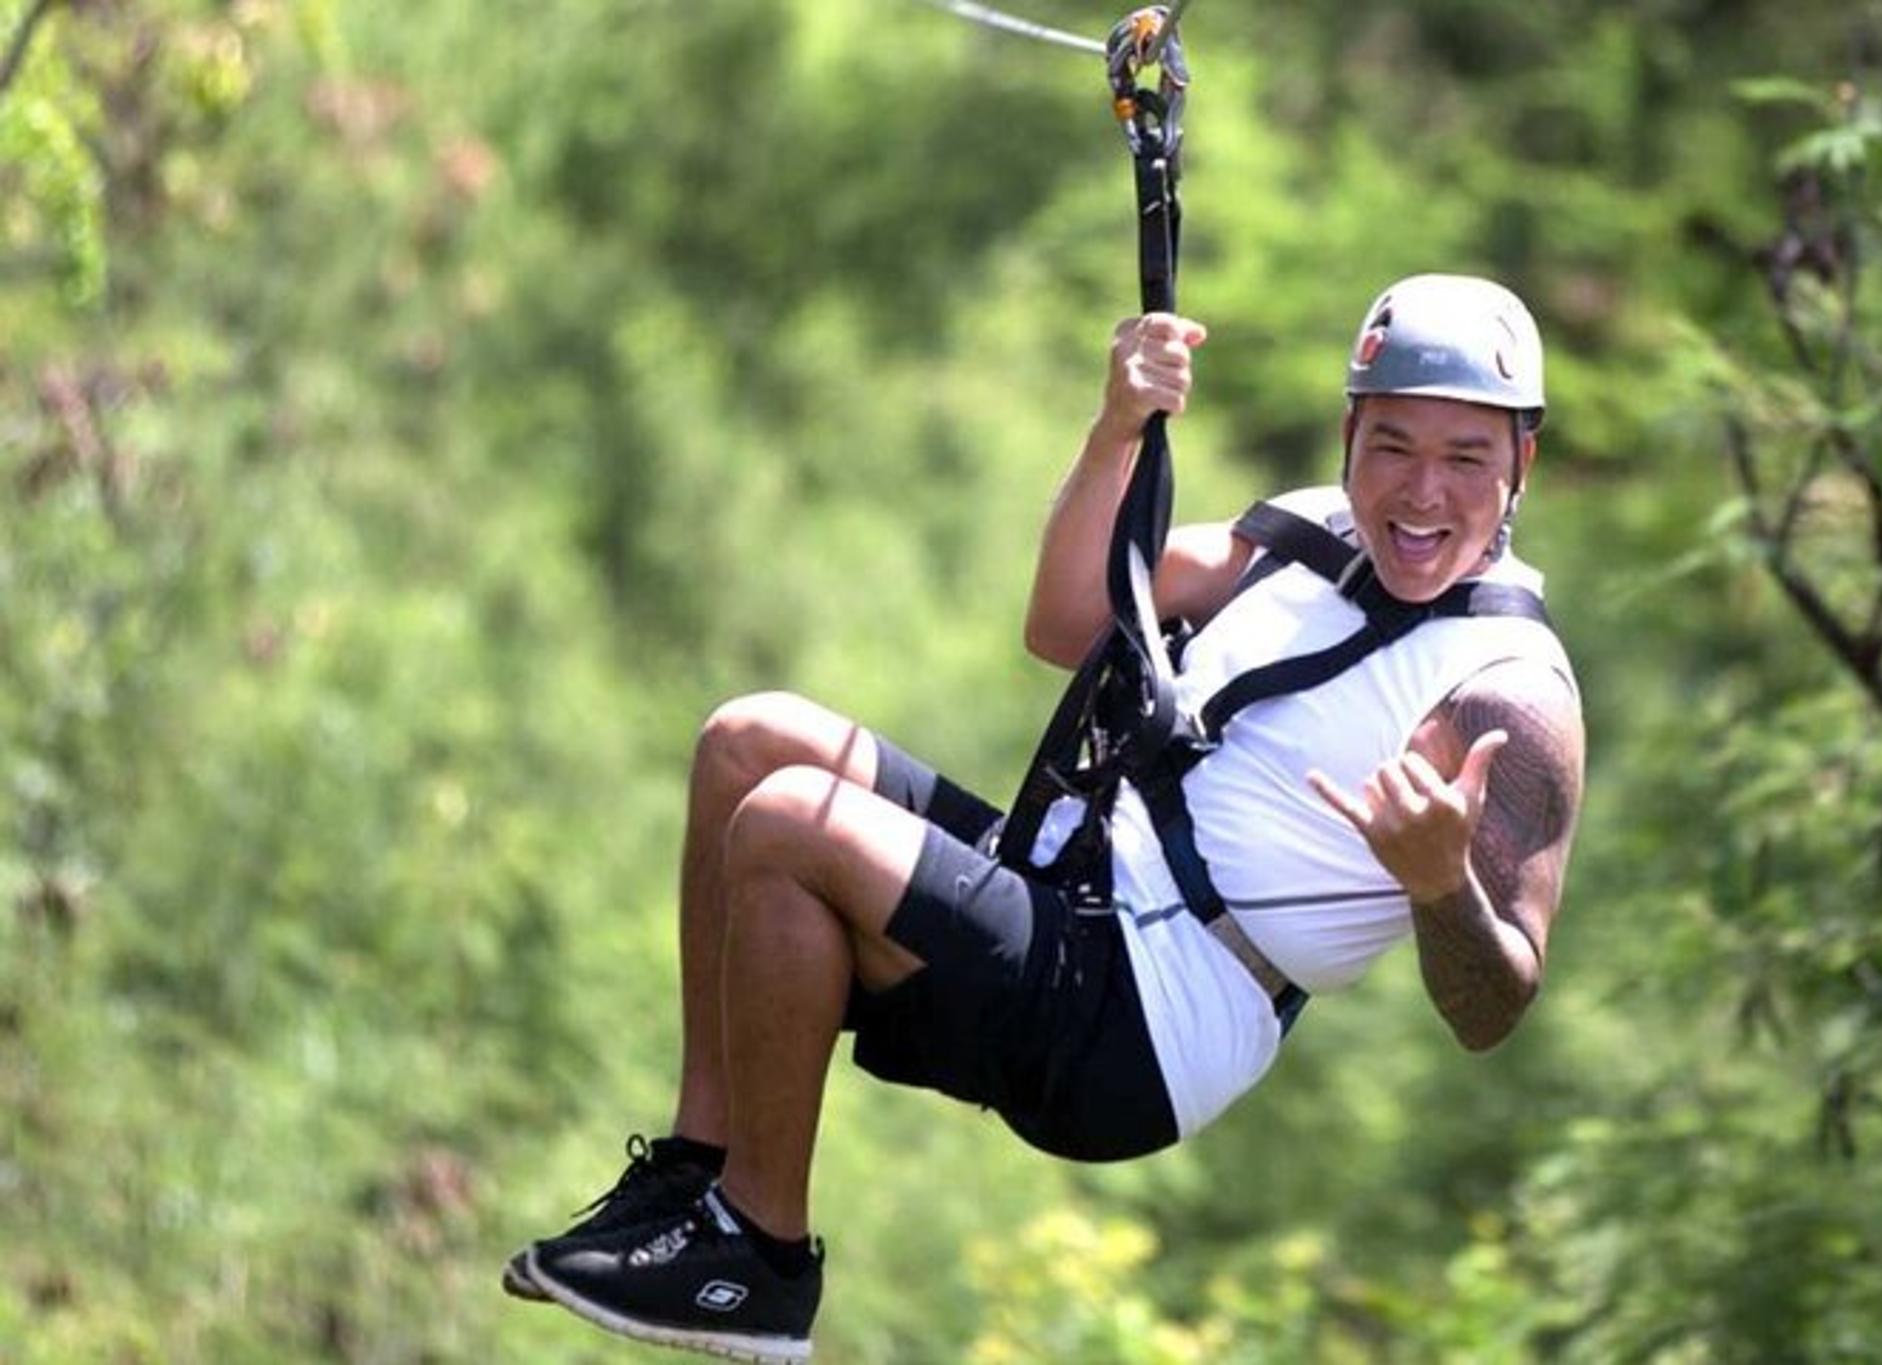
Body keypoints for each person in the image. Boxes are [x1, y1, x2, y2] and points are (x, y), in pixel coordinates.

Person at [502, 273, 1587, 1362]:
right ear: (1349, 431)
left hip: (1142, 1017)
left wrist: (1437, 880)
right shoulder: (1305, 536)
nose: (1419, 494)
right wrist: (1117, 427)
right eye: (1391, 446)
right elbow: (1066, 620)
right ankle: (695, 1172)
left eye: (1465, 460)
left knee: (789, 822)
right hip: (1066, 884)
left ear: (1519, 467)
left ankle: (758, 1257)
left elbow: (1492, 1006)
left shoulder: (1507, 693)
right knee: (748, 745)